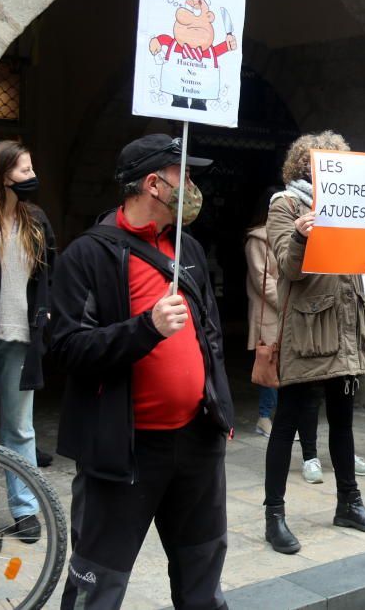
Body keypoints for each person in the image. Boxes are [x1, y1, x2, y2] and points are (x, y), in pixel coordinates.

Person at [52, 134, 233, 608]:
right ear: (153, 184)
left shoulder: (188, 248)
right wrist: (145, 329)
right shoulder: (85, 257)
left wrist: (219, 410)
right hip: (124, 452)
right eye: (185, 175)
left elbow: (209, 335)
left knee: (202, 579)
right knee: (99, 585)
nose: (192, 186)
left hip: (196, 444)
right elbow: (68, 349)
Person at [263, 131, 365, 554]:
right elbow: (288, 269)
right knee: (288, 424)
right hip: (309, 334)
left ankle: (349, 503)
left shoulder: (354, 206)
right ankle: (274, 515)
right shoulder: (286, 205)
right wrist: (301, 234)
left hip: (347, 331)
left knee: (343, 422)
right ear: (307, 166)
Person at [0, 141, 55, 559]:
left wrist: (47, 317)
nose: (31, 174)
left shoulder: (35, 220)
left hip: (22, 336)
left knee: (20, 429)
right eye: (25, 169)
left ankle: (24, 510)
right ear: (3, 175)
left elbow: (46, 277)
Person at [245, 187, 281, 438]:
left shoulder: (284, 235)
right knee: (270, 365)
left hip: (286, 311)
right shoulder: (258, 240)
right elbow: (262, 279)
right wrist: (289, 300)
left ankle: (280, 418)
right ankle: (265, 417)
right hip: (271, 311)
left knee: (286, 367)